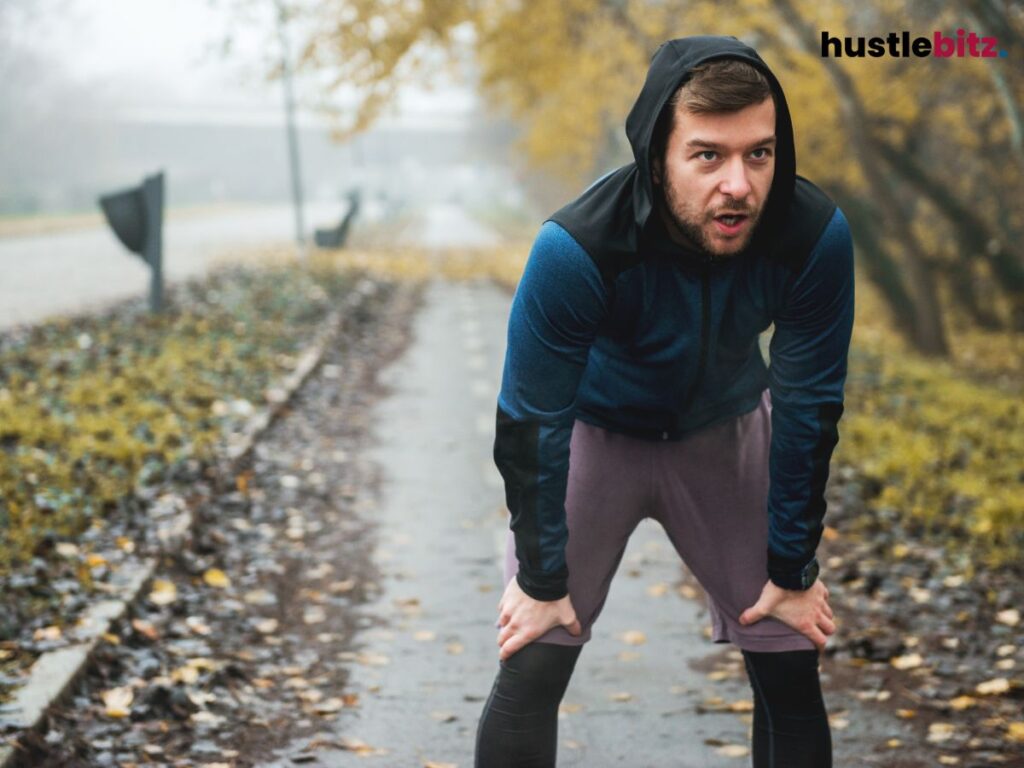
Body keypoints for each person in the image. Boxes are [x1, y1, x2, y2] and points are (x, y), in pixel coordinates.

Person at [475, 35, 853, 767]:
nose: (739, 184)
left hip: (725, 434)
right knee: (534, 653)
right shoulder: (577, 248)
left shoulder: (811, 235)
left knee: (789, 652)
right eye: (708, 155)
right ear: (658, 159)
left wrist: (793, 568)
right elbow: (531, 421)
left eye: (760, 154)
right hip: (595, 435)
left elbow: (810, 407)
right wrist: (541, 580)